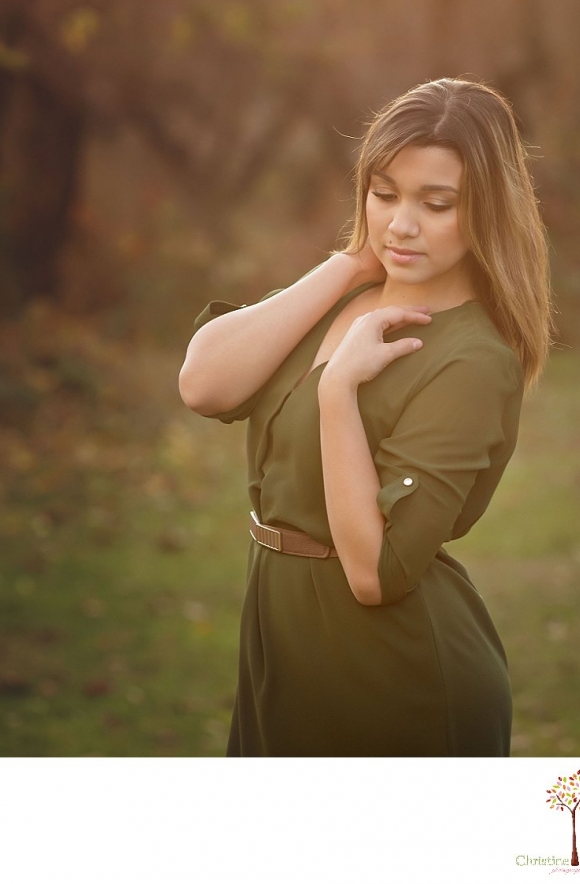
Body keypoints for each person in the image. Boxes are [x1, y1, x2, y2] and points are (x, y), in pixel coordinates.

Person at [178, 77, 552, 756]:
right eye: (384, 193)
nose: (401, 224)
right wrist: (351, 266)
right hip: (280, 643)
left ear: (488, 210)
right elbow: (204, 384)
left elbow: (375, 572)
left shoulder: (473, 358)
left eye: (436, 203)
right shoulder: (337, 297)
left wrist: (337, 393)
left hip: (393, 674)